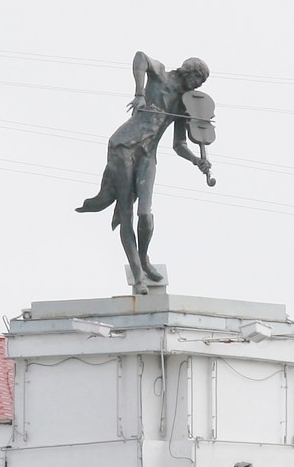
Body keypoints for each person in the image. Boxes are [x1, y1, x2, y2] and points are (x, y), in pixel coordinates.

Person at [76, 51, 211, 294]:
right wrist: (139, 94)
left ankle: (144, 258)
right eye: (198, 80)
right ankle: (138, 274)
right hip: (124, 146)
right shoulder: (161, 76)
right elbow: (140, 58)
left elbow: (179, 145)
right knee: (126, 212)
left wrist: (196, 161)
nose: (198, 86)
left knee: (145, 214)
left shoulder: (184, 104)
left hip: (148, 155)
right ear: (190, 72)